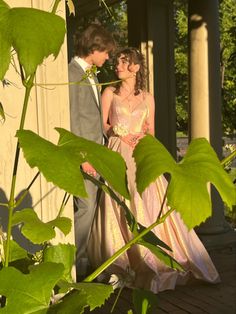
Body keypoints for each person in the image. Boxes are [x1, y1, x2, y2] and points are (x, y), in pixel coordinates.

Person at [88, 47, 220, 293]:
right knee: (122, 200)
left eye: (122, 62)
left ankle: (159, 253)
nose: (117, 66)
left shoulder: (148, 98)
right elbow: (102, 126)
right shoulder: (109, 93)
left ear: (135, 68)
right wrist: (116, 131)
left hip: (142, 154)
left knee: (149, 200)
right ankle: (125, 259)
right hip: (117, 152)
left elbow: (152, 132)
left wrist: (145, 144)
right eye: (116, 62)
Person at [68, 24, 115, 278]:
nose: (107, 57)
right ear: (94, 48)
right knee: (85, 210)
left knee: (91, 210)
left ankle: (84, 265)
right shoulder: (73, 74)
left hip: (97, 155)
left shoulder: (91, 75)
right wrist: (83, 158)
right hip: (84, 158)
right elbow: (74, 120)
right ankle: (71, 269)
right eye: (105, 52)